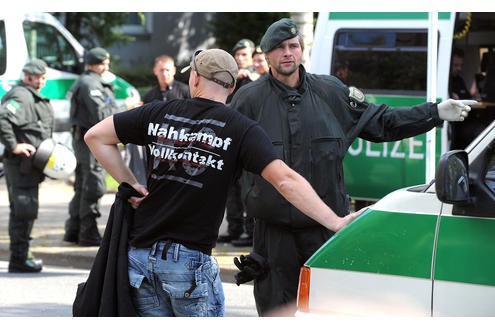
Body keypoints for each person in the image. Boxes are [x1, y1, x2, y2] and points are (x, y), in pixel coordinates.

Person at [82, 48, 365, 317]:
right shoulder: (240, 129)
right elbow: (285, 180)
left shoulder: (158, 113)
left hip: (141, 259)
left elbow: (95, 136)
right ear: (231, 87)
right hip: (189, 263)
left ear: (194, 78)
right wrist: (334, 221)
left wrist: (131, 184)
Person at [229, 18, 474, 316]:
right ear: (266, 55)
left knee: (325, 312)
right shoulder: (248, 100)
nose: (287, 53)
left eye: (293, 46)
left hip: (326, 230)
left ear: (301, 49)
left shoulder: (330, 92)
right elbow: (226, 162)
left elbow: (383, 122)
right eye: (279, 48)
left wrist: (434, 112)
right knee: (276, 314)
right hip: (272, 237)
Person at [63, 47, 140, 247]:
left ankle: (74, 230)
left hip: (86, 141)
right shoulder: (89, 83)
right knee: (93, 185)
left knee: (82, 185)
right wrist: (127, 107)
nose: (107, 67)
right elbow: (101, 114)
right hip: (89, 143)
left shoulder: (93, 82)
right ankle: (87, 232)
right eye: (103, 63)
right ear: (94, 64)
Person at [0, 59, 54, 273]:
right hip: (20, 165)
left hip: (30, 165)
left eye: (43, 77)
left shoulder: (30, 94)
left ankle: (21, 255)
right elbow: (3, 119)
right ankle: (19, 258)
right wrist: (14, 146)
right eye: (37, 78)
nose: (40, 81)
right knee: (24, 210)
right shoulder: (20, 95)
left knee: (25, 210)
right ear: (27, 76)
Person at [125, 55, 189, 185]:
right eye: (161, 70)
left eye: (167, 70)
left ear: (174, 70)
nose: (164, 73)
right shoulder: (150, 95)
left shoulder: (185, 91)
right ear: (155, 71)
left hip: (180, 145)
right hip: (156, 147)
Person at [219, 38, 258, 247]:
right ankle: (234, 230)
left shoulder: (257, 77)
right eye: (237, 55)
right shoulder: (233, 78)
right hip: (230, 141)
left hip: (248, 141)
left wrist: (251, 76)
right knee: (232, 189)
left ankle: (251, 233)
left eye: (244, 54)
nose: (240, 59)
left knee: (248, 190)